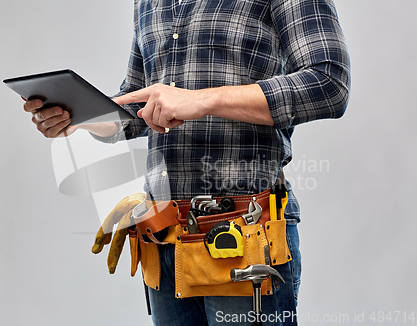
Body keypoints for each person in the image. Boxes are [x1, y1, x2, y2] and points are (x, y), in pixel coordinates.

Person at [23, 0, 350, 324]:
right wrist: (80, 117)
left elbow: (329, 83)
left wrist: (203, 99)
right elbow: (141, 102)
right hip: (163, 237)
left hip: (245, 235)